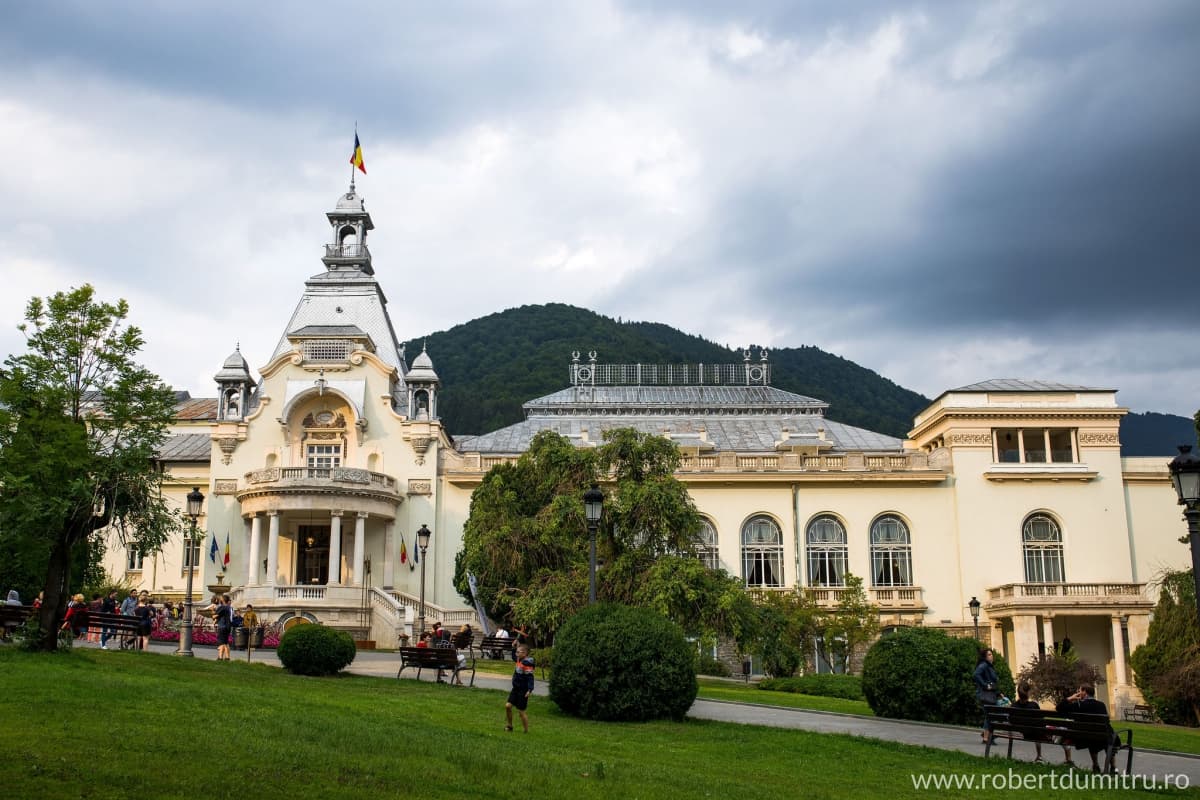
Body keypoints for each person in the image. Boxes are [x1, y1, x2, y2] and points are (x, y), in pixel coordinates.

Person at [1056, 683, 1112, 771]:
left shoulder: (1078, 705)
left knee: (1092, 740)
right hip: (1102, 736)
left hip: (1083, 738)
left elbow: (1059, 708)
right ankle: (1113, 767)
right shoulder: (1101, 705)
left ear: (1084, 692)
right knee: (1109, 739)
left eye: (1079, 691)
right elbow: (1107, 722)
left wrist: (1071, 698)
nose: (1078, 693)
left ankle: (1095, 764)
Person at [1011, 682, 1047, 763]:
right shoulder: (1034, 705)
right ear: (1028, 693)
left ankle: (1039, 756)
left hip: (1021, 732)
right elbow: (1042, 722)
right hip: (1033, 734)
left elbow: (1011, 720)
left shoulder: (1013, 706)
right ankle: (1039, 756)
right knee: (1038, 731)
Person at [505, 645, 535, 733]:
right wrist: (513, 646)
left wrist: (529, 690)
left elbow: (530, 678)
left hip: (523, 690)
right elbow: (513, 656)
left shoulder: (527, 664)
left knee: (521, 712)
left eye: (518, 652)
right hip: (516, 689)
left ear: (524, 653)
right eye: (516, 652)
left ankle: (526, 731)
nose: (516, 654)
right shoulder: (519, 659)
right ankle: (510, 726)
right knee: (508, 706)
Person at [973, 648, 1000, 742]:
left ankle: (986, 735)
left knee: (991, 715)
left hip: (991, 694)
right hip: (986, 695)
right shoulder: (984, 665)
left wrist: (998, 693)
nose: (991, 656)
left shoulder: (990, 666)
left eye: (991, 654)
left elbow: (993, 681)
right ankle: (986, 737)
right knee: (991, 715)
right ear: (984, 657)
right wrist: (985, 685)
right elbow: (976, 675)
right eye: (989, 654)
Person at [215, 594, 233, 661]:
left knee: (221, 643)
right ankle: (227, 657)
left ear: (222, 600)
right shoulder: (229, 608)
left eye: (221, 598)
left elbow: (215, 616)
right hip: (228, 627)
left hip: (222, 626)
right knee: (226, 642)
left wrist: (212, 612)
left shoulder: (222, 607)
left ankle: (220, 657)